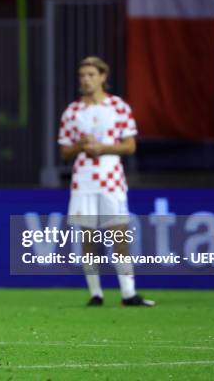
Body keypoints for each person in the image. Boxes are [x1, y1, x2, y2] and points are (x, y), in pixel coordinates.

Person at [58, 56, 154, 307]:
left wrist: (102, 148)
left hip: (111, 179)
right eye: (82, 75)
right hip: (83, 181)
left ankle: (128, 293)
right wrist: (80, 145)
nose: (86, 80)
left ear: (103, 77)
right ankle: (95, 293)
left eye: (91, 74)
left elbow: (130, 145)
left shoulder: (118, 107)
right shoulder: (72, 112)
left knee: (119, 235)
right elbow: (64, 151)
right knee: (88, 238)